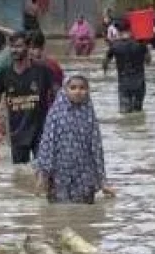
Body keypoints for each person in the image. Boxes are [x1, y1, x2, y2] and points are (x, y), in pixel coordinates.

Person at [34, 75, 115, 204]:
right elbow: (46, 145)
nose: (78, 91)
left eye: (82, 88)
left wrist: (102, 181)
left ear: (88, 91)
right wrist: (43, 175)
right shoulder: (55, 115)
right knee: (58, 213)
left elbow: (97, 148)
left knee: (83, 214)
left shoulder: (89, 115)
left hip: (84, 174)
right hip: (59, 174)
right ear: (65, 91)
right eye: (73, 88)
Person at [0, 31, 55, 165]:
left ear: (28, 46)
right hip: (17, 132)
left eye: (19, 46)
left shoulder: (43, 70)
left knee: (43, 168)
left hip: (41, 131)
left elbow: (57, 96)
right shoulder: (5, 73)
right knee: (20, 173)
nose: (15, 50)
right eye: (12, 46)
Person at [103, 23, 151, 114]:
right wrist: (146, 47)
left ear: (118, 32)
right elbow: (148, 61)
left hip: (123, 81)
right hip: (139, 81)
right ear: (131, 30)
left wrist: (104, 72)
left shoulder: (114, 46)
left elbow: (105, 62)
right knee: (138, 111)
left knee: (125, 112)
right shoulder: (140, 44)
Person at [28, 30, 64, 102]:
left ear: (42, 48)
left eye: (34, 48)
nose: (30, 52)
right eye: (28, 48)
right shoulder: (24, 65)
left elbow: (56, 92)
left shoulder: (51, 66)